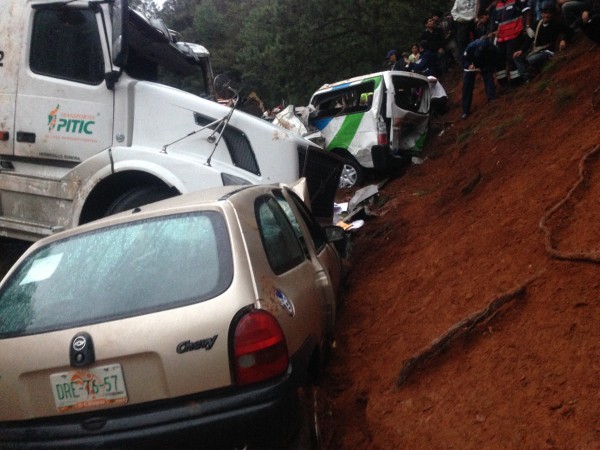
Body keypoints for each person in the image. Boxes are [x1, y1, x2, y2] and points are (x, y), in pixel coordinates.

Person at [523, 4, 573, 72]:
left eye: (549, 13)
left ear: (552, 14)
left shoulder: (556, 24)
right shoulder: (537, 24)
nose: (546, 16)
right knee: (518, 58)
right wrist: (521, 50)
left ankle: (540, 68)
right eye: (544, 13)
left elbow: (570, 31)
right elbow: (529, 39)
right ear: (541, 14)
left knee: (532, 59)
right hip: (536, 50)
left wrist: (564, 40)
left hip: (548, 51)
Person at [493, 0, 531, 88]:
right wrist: (495, 35)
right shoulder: (498, 5)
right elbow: (497, 23)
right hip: (501, 38)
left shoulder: (516, 1)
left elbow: (527, 11)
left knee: (511, 58)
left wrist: (527, 26)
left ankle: (516, 82)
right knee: (499, 59)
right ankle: (503, 83)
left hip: (515, 35)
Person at [461, 37, 497, 119]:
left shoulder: (493, 50)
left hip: (485, 65)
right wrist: (469, 65)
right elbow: (464, 59)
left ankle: (492, 99)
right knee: (466, 86)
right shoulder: (470, 47)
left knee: (489, 78)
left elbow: (492, 64)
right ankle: (465, 110)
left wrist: (482, 69)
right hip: (472, 66)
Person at [451, 0, 478, 65]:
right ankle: (464, 60)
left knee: (476, 39)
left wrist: (476, 17)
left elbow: (476, 7)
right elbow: (453, 11)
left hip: (473, 21)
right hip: (463, 22)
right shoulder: (458, 1)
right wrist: (458, 18)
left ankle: (477, 56)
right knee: (462, 42)